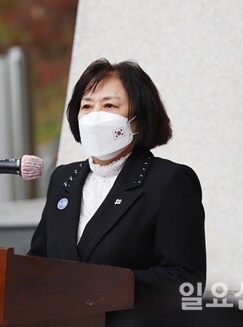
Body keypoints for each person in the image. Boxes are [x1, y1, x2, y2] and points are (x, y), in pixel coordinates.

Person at [28, 58, 206, 326]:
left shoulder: (169, 181)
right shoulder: (63, 178)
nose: (95, 115)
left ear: (138, 118)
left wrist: (101, 285)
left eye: (109, 105)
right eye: (86, 106)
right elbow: (38, 262)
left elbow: (185, 281)